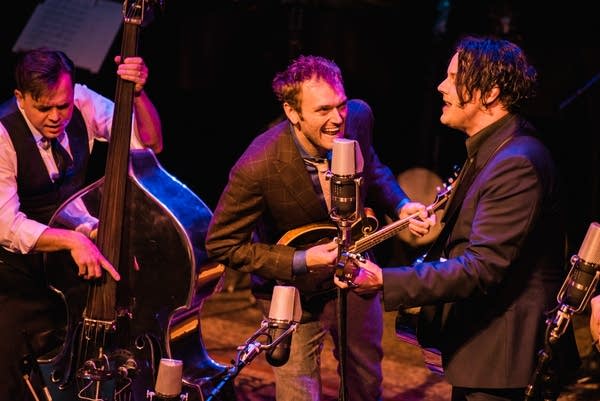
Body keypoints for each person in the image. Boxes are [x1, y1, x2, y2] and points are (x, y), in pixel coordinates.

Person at [337, 35, 581, 401]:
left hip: (504, 364)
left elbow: (482, 268)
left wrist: (385, 280)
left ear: (490, 93)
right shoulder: (495, 147)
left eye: (453, 78)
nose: (440, 86)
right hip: (486, 355)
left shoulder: (517, 162)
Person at [205, 54, 435, 401]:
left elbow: (371, 167)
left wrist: (402, 204)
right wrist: (303, 259)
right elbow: (222, 244)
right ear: (292, 113)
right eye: (323, 110)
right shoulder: (259, 165)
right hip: (291, 289)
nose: (337, 119)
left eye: (340, 106)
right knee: (298, 389)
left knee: (364, 382)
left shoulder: (358, 118)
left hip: (355, 273)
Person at [0, 47, 162, 400]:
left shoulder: (83, 102)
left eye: (63, 105)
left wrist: (136, 96)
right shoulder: (3, 134)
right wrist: (73, 240)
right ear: (21, 98)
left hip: (69, 269)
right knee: (9, 374)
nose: (56, 116)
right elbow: (6, 224)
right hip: (15, 275)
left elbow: (149, 144)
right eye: (44, 108)